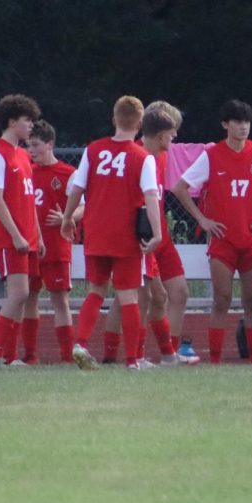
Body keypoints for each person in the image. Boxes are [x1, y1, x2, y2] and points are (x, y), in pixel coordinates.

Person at [173, 99, 252, 364]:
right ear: (226, 125)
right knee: (222, 299)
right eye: (237, 122)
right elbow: (180, 187)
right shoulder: (213, 155)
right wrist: (202, 219)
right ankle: (215, 359)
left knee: (251, 300)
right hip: (223, 240)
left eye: (246, 122)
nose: (243, 127)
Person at [62, 95, 162, 370]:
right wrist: (157, 233)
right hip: (125, 234)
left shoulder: (93, 150)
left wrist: (68, 217)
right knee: (128, 295)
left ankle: (80, 344)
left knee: (96, 290)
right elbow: (151, 197)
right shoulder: (142, 157)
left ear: (114, 118)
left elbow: (77, 189)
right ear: (140, 123)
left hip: (96, 230)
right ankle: (132, 360)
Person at [0, 94, 44, 366]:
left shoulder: (22, 154)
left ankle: (10, 357)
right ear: (11, 121)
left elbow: (29, 200)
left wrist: (37, 235)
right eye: (26, 120)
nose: (31, 125)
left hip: (29, 237)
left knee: (24, 296)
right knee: (17, 294)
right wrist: (16, 235)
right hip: (11, 237)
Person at [138, 101, 196, 365]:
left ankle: (170, 352)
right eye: (172, 133)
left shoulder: (162, 155)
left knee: (179, 292)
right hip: (143, 235)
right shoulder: (137, 154)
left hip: (162, 233)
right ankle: (117, 351)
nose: (175, 138)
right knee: (142, 296)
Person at [22, 119, 80, 364]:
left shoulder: (68, 173)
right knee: (28, 297)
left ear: (50, 144)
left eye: (35, 145)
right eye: (28, 145)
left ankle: (67, 357)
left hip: (57, 246)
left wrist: (67, 217)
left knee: (59, 300)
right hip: (30, 246)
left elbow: (84, 207)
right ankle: (30, 356)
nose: (31, 150)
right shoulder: (26, 171)